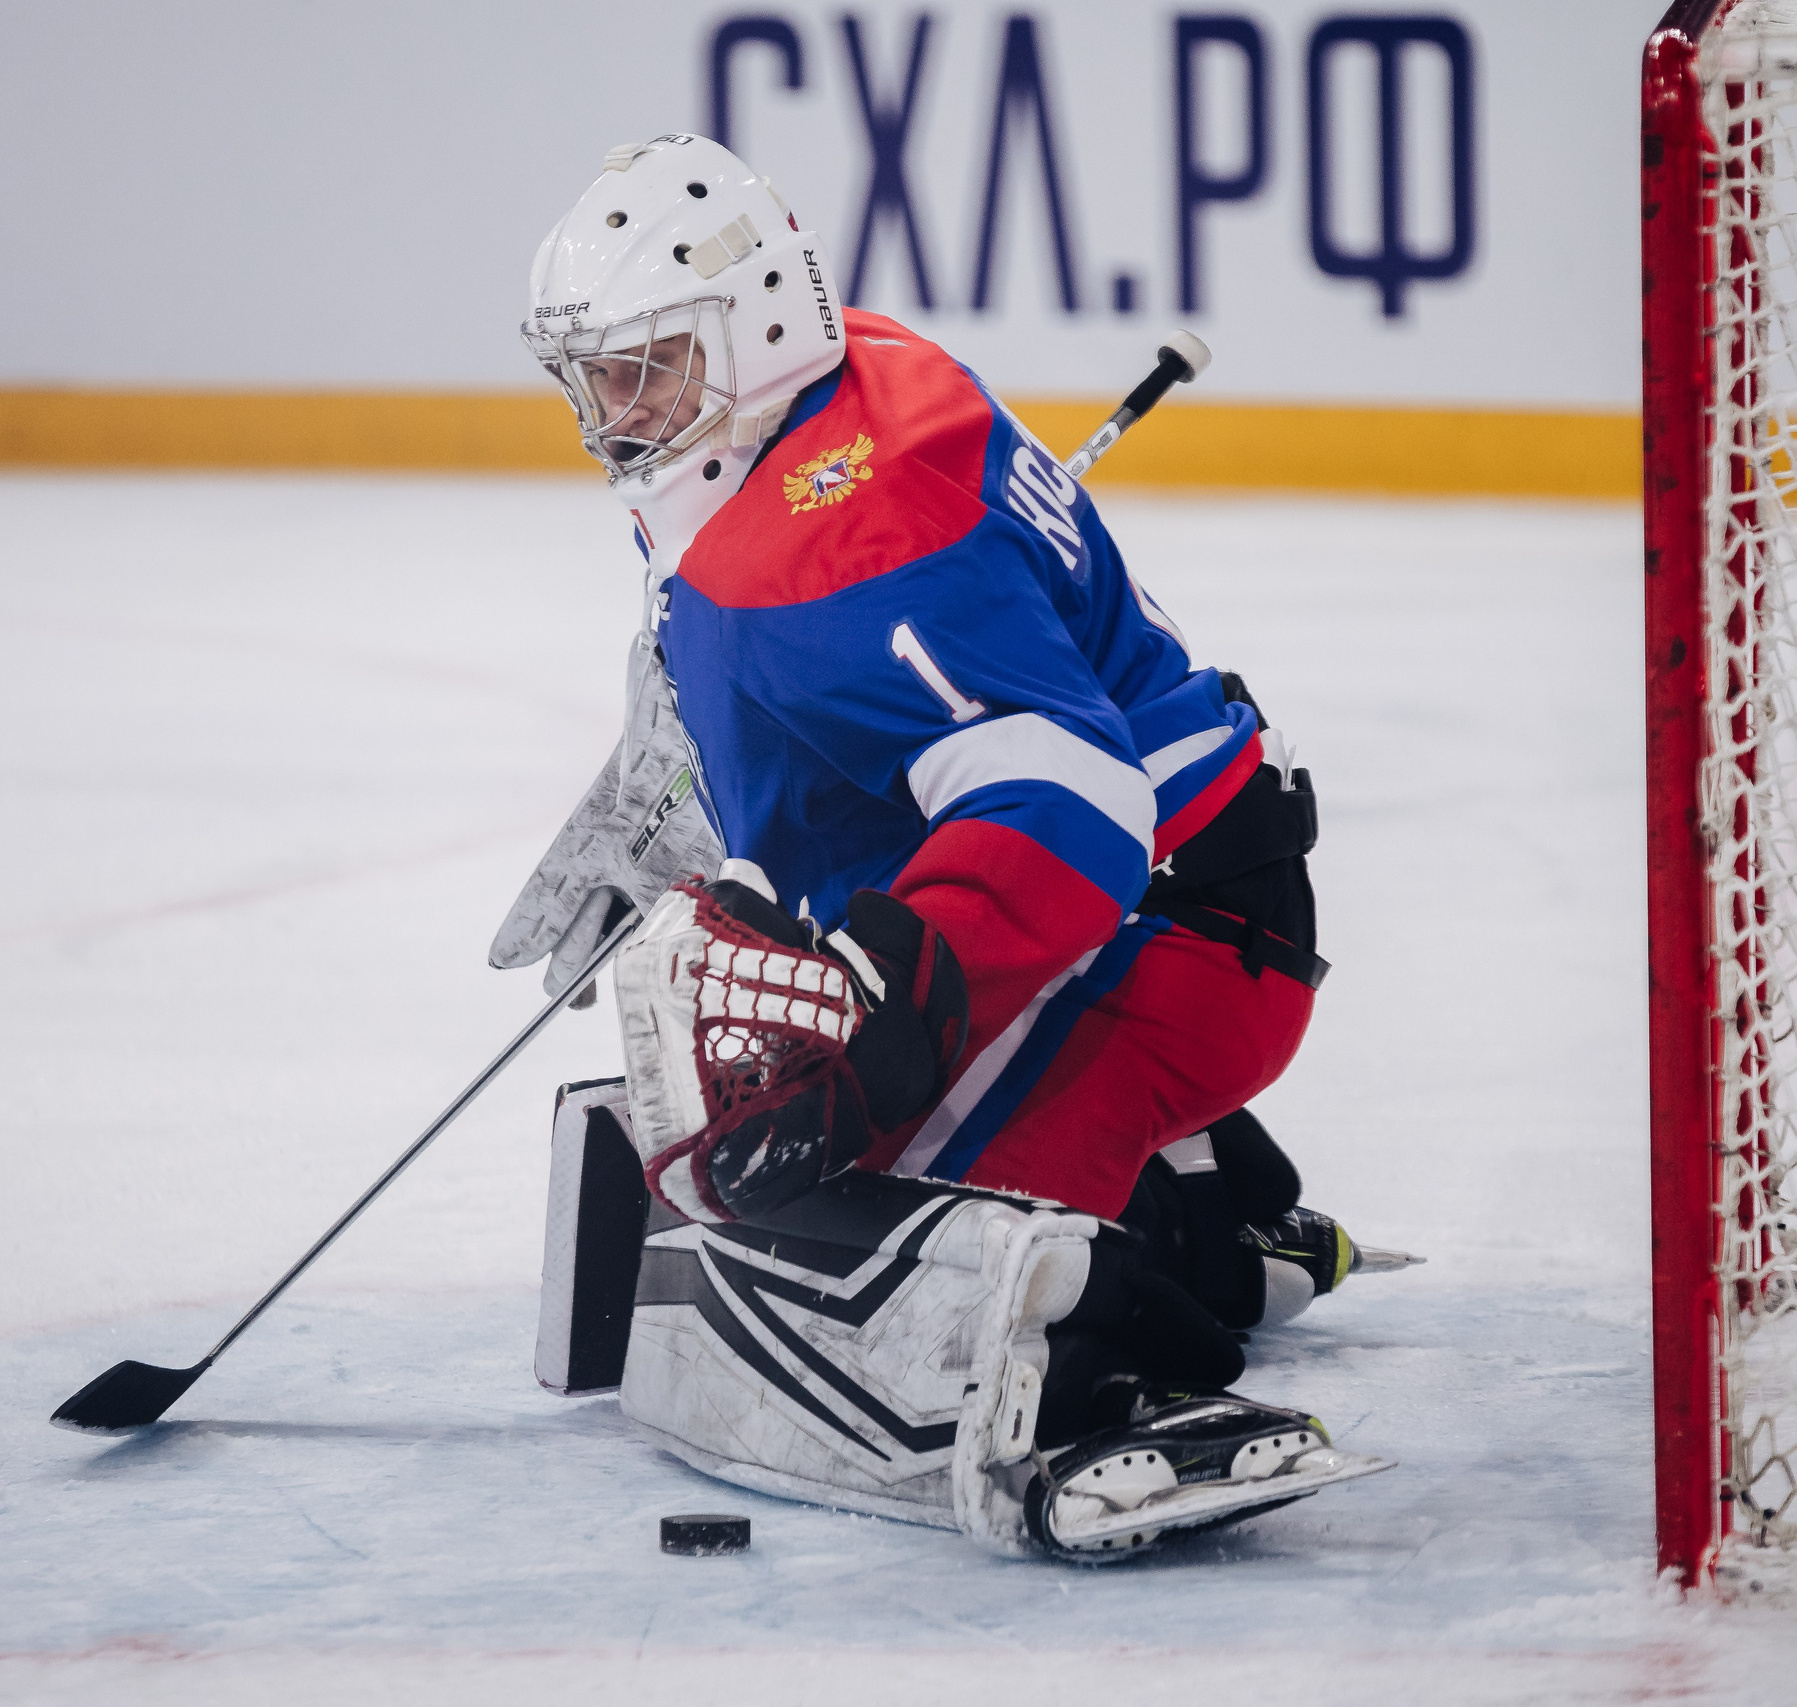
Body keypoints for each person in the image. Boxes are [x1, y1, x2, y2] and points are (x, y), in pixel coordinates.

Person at [495, 136, 1404, 1557]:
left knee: (849, 1221)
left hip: (1160, 931)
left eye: (648, 367)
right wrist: (715, 745)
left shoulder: (846, 533)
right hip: (1156, 902)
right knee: (800, 1139)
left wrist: (881, 999)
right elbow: (847, 679)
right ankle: (1218, 1208)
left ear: (756, 328)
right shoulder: (842, 376)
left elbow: (1075, 808)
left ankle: (1132, 1346)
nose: (617, 411)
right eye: (599, 375)